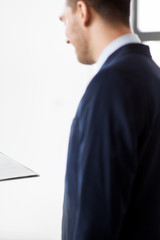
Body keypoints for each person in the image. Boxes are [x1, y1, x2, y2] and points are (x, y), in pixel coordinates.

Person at [60, 0, 160, 239]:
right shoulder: (152, 76)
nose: (65, 37)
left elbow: (97, 222)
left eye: (64, 20)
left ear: (82, 11)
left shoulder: (111, 86)